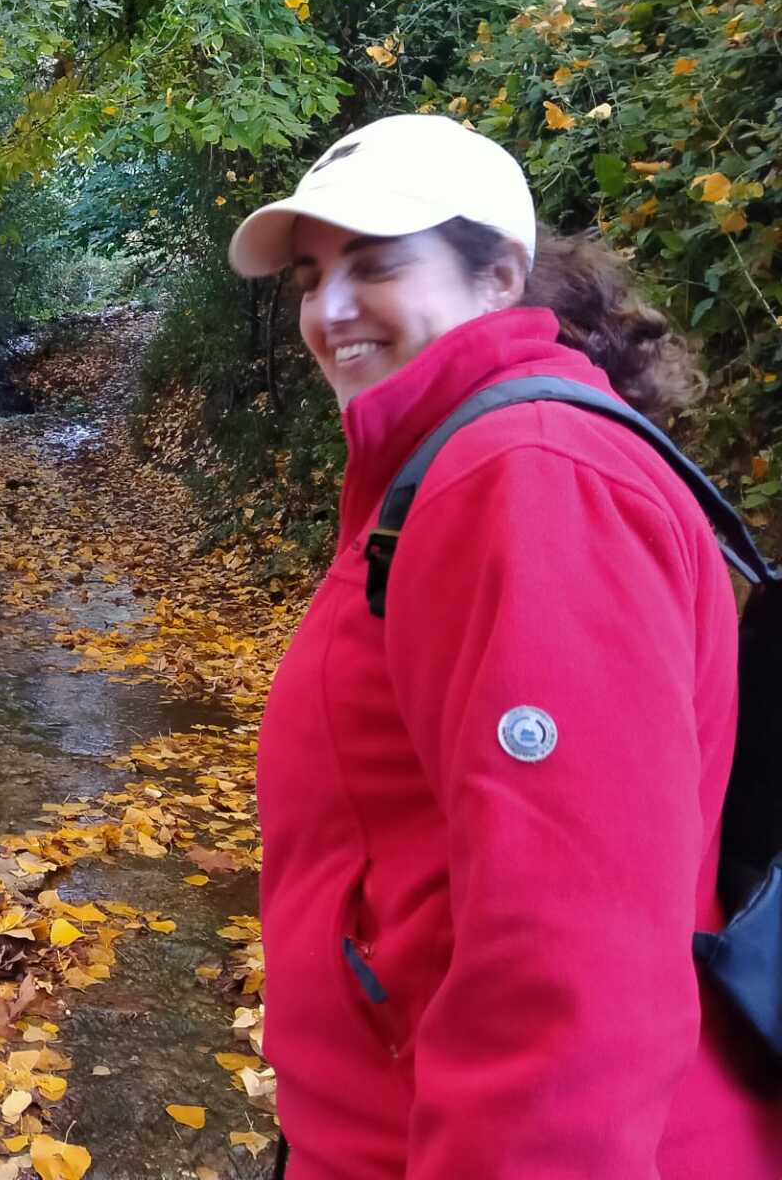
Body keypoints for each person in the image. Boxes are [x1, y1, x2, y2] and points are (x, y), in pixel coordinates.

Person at [227, 114, 782, 1178]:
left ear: (498, 278)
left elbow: (573, 961)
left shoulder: (527, 475)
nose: (330, 310)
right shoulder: (449, 462)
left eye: (376, 265)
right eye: (310, 277)